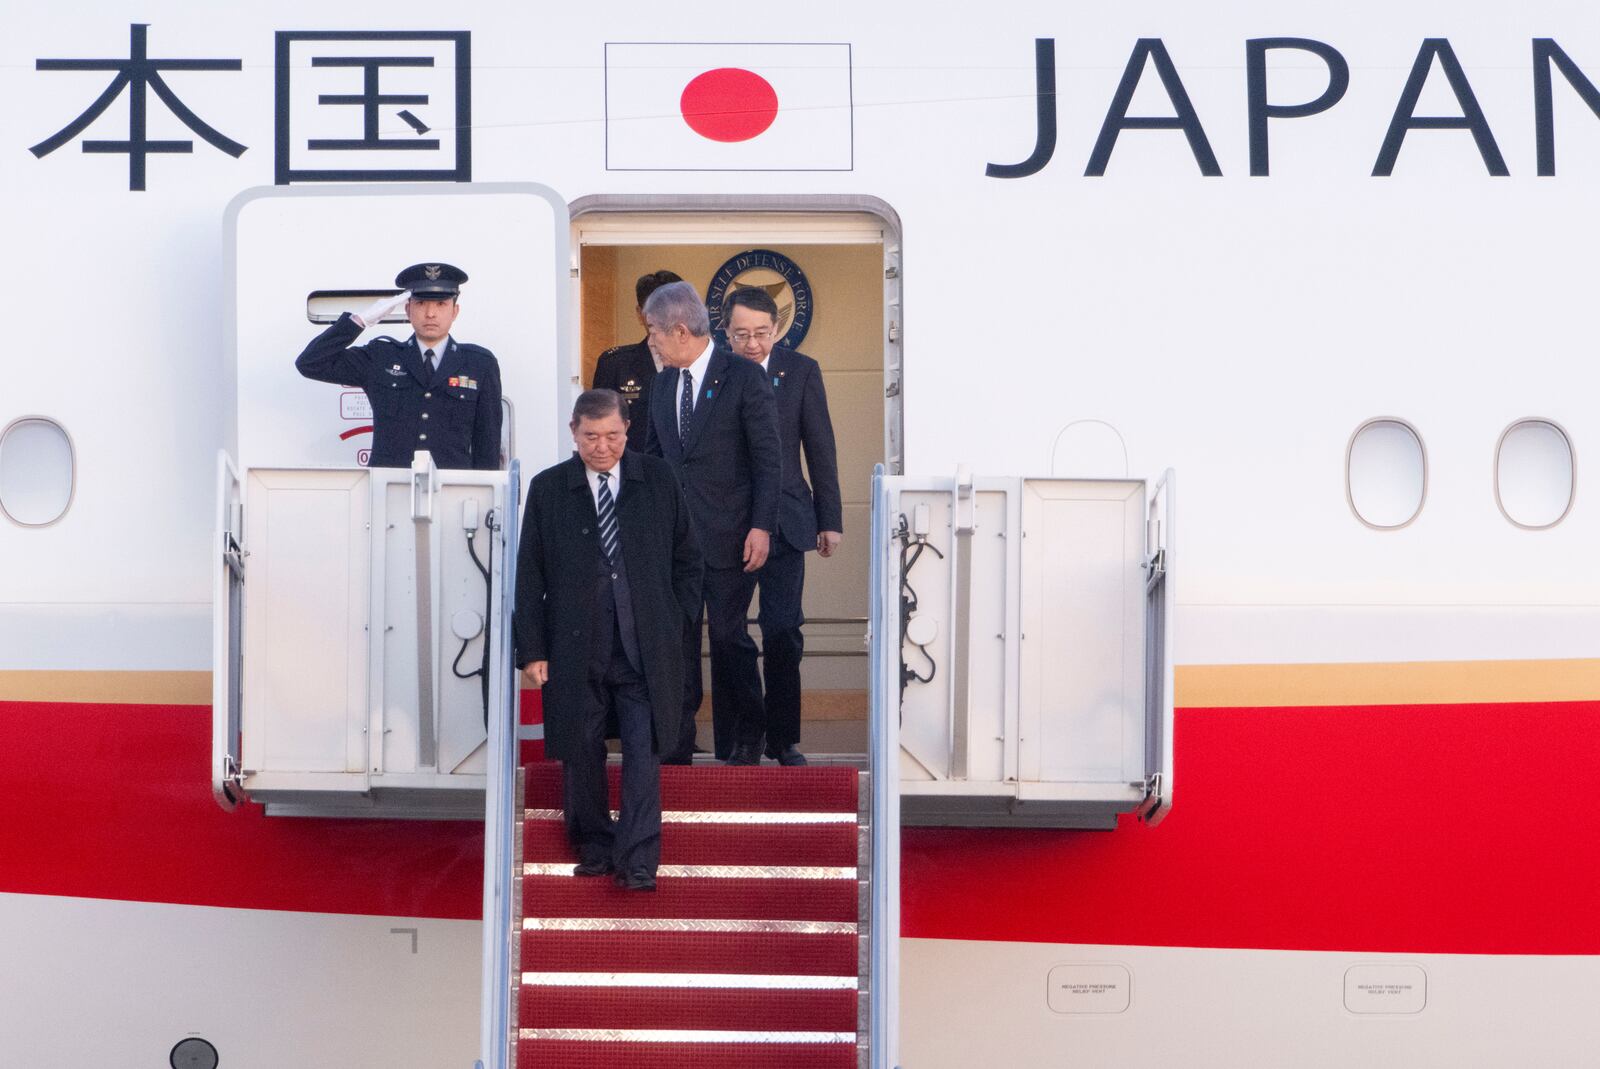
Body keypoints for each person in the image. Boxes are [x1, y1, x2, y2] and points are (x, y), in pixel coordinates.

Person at [513, 390, 703, 892]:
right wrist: (532, 649)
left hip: (644, 646)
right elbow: (529, 575)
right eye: (591, 437)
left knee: (645, 751)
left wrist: (674, 623)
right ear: (572, 431)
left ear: (628, 429)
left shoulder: (658, 478)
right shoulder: (549, 488)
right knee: (582, 749)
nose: (603, 447)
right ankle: (594, 847)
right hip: (576, 644)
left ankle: (639, 858)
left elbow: (688, 560)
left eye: (613, 436)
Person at [642, 281, 781, 765]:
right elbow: (654, 460)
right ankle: (677, 739)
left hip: (731, 537)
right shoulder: (662, 383)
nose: (652, 341)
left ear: (680, 331)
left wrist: (761, 526)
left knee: (727, 637)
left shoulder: (743, 377)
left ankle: (748, 734)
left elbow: (769, 460)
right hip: (673, 544)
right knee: (677, 643)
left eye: (654, 332)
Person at [722, 287, 843, 766]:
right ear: (725, 332)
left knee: (783, 631)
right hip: (729, 525)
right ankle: (743, 738)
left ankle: (783, 739)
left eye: (761, 333)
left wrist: (829, 519)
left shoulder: (801, 371)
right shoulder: (715, 373)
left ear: (777, 328)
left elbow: (821, 445)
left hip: (789, 522)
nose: (752, 344)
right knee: (729, 634)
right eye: (741, 334)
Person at [295, 262, 502, 470]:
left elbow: (487, 447)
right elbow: (310, 362)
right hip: (388, 491)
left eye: (441, 304)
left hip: (453, 493)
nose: (430, 313)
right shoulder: (381, 357)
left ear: (455, 311)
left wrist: (483, 496)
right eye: (421, 303)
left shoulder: (479, 364)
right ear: (408, 309)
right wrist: (359, 321)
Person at [592, 270, 683, 452]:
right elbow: (599, 429)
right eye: (656, 309)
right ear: (640, 313)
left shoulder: (701, 362)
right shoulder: (615, 364)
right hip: (636, 474)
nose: (665, 317)